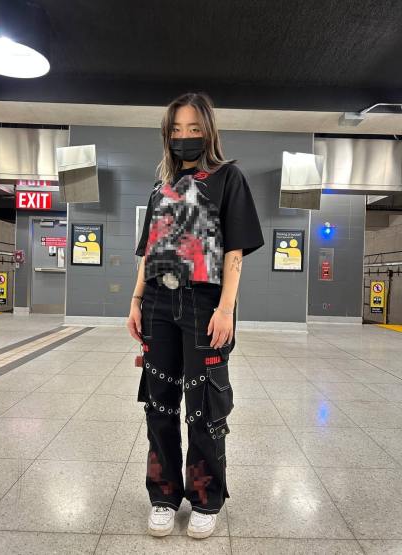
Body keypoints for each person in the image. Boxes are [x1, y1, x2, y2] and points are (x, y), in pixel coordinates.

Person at [127, 91, 264, 539]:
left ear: (208, 131)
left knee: (204, 407)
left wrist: (226, 308)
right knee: (160, 405)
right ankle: (163, 495)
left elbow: (235, 252)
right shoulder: (159, 188)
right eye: (176, 129)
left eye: (193, 128)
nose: (184, 136)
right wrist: (135, 300)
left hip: (204, 303)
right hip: (157, 304)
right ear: (167, 136)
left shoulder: (228, 178)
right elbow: (149, 252)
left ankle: (206, 498)